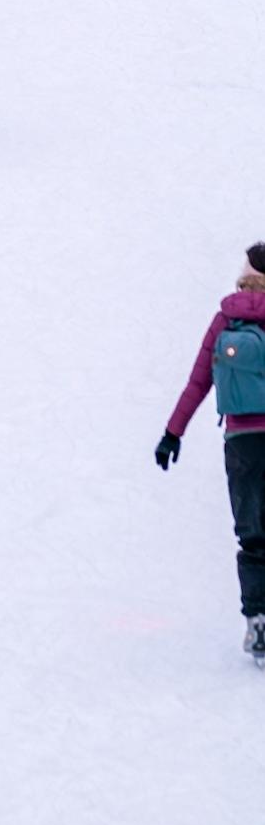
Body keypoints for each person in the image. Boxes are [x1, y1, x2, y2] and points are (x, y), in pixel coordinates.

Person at [156, 243, 265, 662]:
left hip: (241, 443)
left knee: (254, 534)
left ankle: (258, 622)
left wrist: (172, 432)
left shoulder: (227, 319)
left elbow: (198, 382)